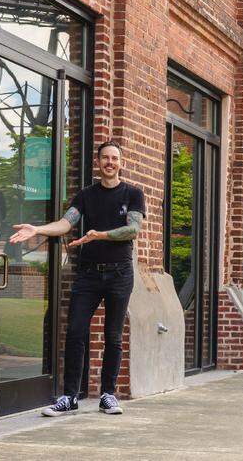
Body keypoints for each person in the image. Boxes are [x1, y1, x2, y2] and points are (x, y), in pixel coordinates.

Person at [8, 141, 144, 417]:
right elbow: (66, 223)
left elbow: (133, 230)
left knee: (113, 336)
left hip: (120, 273)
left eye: (114, 158)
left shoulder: (133, 194)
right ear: (98, 162)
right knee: (75, 332)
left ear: (121, 163)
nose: (110, 162)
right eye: (105, 158)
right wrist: (38, 229)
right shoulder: (86, 195)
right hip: (89, 274)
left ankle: (107, 395)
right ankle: (69, 396)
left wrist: (99, 235)